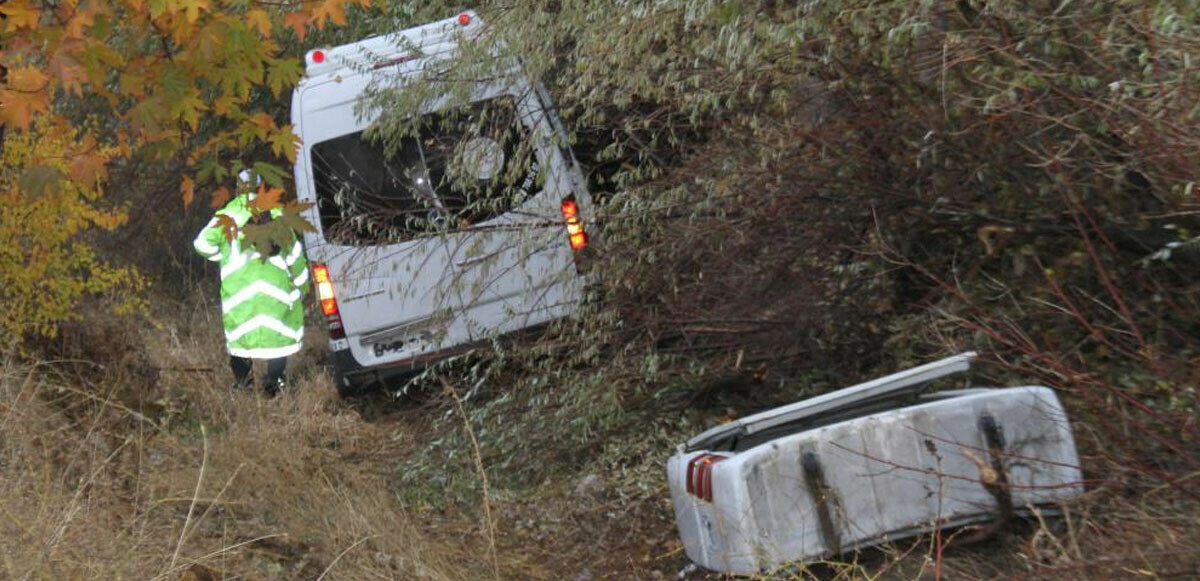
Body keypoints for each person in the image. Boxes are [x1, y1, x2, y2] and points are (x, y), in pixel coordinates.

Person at [193, 169, 310, 396]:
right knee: (278, 339)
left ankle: (243, 384)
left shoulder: (226, 216)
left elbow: (202, 245)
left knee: (239, 339)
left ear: (238, 189)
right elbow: (295, 257)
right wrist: (302, 286)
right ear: (262, 187)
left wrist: (222, 257)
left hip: (239, 295)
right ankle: (274, 384)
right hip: (275, 294)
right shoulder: (278, 216)